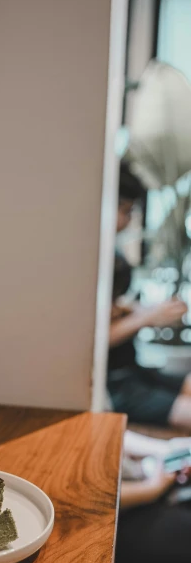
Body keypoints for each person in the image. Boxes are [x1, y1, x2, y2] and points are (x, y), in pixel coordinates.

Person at [108, 164, 191, 427]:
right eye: (126, 210)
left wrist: (137, 311)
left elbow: (107, 313)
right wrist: (148, 317)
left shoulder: (114, 257)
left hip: (130, 370)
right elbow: (90, 341)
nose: (129, 219)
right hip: (115, 384)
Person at [115, 430, 191, 563]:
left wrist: (167, 451)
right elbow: (93, 498)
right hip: (114, 518)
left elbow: (113, 431)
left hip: (143, 485)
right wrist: (151, 489)